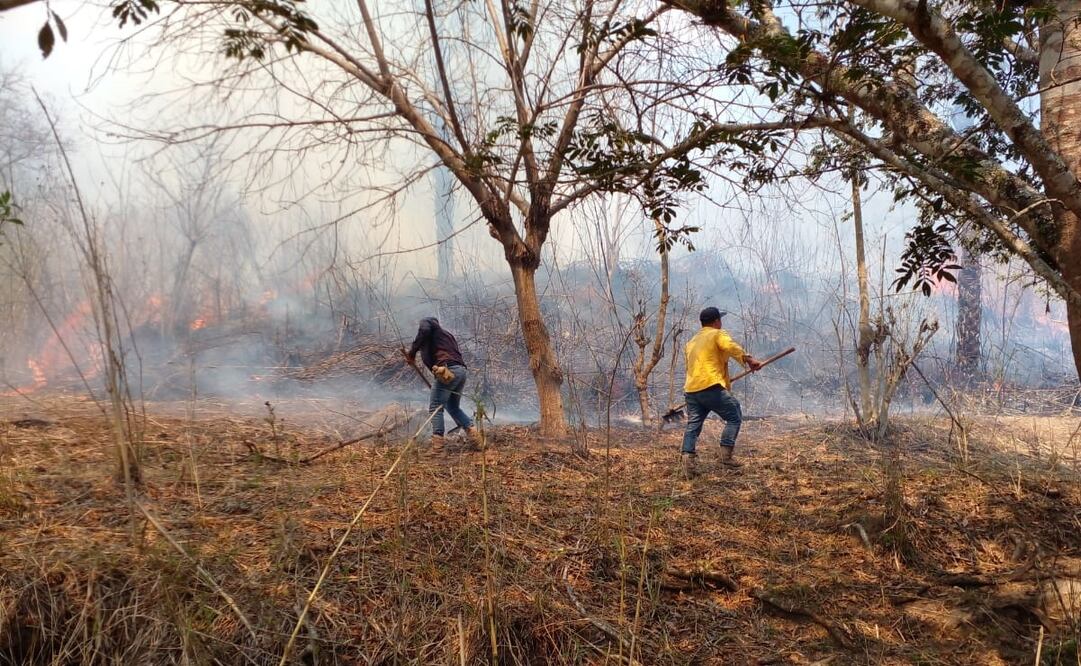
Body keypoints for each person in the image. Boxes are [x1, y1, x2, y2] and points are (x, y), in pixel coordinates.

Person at [680, 306, 761, 476]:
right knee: (734, 415)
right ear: (717, 321)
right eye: (720, 319)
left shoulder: (692, 342)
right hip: (710, 387)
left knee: (693, 425)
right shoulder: (717, 334)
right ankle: (726, 456)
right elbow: (730, 346)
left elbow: (696, 366)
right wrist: (749, 359)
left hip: (692, 390)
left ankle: (687, 462)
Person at [405, 317, 479, 453]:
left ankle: (437, 446)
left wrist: (412, 352)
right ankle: (476, 437)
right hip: (461, 372)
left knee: (435, 407)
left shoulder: (427, 324)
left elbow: (424, 330)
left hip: (447, 370)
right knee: (453, 407)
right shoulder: (446, 336)